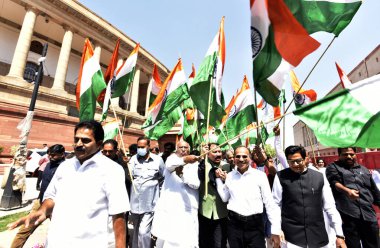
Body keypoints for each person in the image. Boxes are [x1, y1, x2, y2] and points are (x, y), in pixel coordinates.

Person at [8, 120, 130, 248]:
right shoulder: (65, 166)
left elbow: (118, 214)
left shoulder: (112, 170)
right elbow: (51, 197)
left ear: (99, 144)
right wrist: (43, 210)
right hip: (58, 241)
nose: (78, 144)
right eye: (76, 139)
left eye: (85, 140)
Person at [272, 145, 346, 248]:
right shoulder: (280, 177)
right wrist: (276, 229)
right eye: (291, 162)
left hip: (318, 236)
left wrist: (339, 234)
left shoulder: (319, 177)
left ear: (305, 159)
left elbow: (330, 206)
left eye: (298, 161)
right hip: (292, 238)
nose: (295, 164)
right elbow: (275, 205)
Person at [215, 146, 281, 248]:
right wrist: (218, 180)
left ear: (249, 157)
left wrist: (275, 230)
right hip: (234, 225)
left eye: (244, 156)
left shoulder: (260, 176)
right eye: (238, 156)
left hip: (255, 226)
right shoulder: (230, 176)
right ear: (234, 158)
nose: (241, 159)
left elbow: (269, 203)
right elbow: (225, 198)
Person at [11, 144, 66, 248]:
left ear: (62, 154)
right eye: (49, 154)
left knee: (60, 233)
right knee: (24, 230)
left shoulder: (66, 168)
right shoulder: (49, 164)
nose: (50, 157)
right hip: (40, 203)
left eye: (54, 155)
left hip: (56, 206)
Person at [326, 147, 380, 248]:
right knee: (353, 245)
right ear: (339, 155)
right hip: (348, 214)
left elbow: (373, 189)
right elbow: (334, 182)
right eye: (345, 154)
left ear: (355, 154)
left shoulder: (363, 169)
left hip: (368, 213)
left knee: (374, 244)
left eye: (351, 154)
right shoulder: (333, 167)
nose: (349, 156)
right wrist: (347, 191)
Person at [152, 141, 200, 247]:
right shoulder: (172, 159)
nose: (183, 149)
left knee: (186, 238)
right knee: (169, 237)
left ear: (189, 149)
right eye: (181, 147)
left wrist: (182, 176)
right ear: (176, 149)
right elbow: (170, 166)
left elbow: (196, 184)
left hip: (187, 207)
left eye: (186, 147)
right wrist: (185, 160)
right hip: (171, 206)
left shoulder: (195, 163)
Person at [129, 136, 165, 248]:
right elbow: (128, 176)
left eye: (142, 147)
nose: (140, 149)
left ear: (148, 146)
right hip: (135, 203)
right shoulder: (133, 159)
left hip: (150, 203)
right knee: (135, 231)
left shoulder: (158, 160)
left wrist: (161, 198)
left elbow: (163, 179)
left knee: (143, 232)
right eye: (138, 147)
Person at [198, 143, 231, 248]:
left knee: (219, 243)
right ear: (208, 153)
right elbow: (201, 175)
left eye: (219, 151)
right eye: (214, 152)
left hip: (221, 212)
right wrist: (203, 157)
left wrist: (225, 180)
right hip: (204, 211)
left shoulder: (226, 166)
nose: (218, 154)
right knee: (205, 242)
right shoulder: (203, 165)